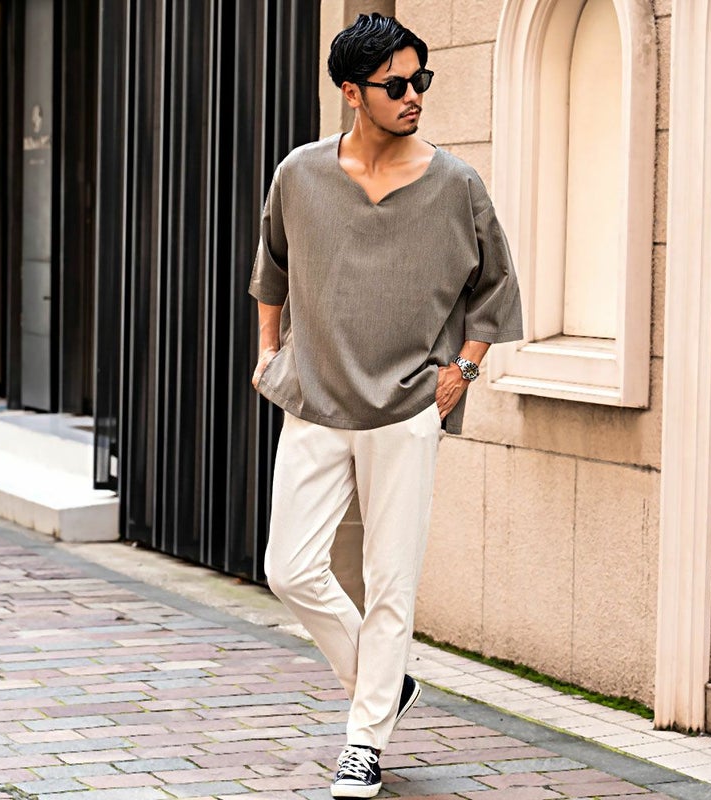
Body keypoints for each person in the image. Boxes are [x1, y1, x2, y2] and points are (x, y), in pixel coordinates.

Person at [249, 13, 522, 798]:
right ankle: (386, 683)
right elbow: (271, 268)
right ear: (352, 92)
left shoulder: (456, 185)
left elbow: (496, 289)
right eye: (396, 84)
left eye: (420, 81)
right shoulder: (300, 174)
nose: (414, 96)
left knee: (389, 581)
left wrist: (463, 371)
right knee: (289, 568)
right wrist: (268, 354)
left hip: (406, 408)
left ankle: (364, 741)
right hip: (316, 399)